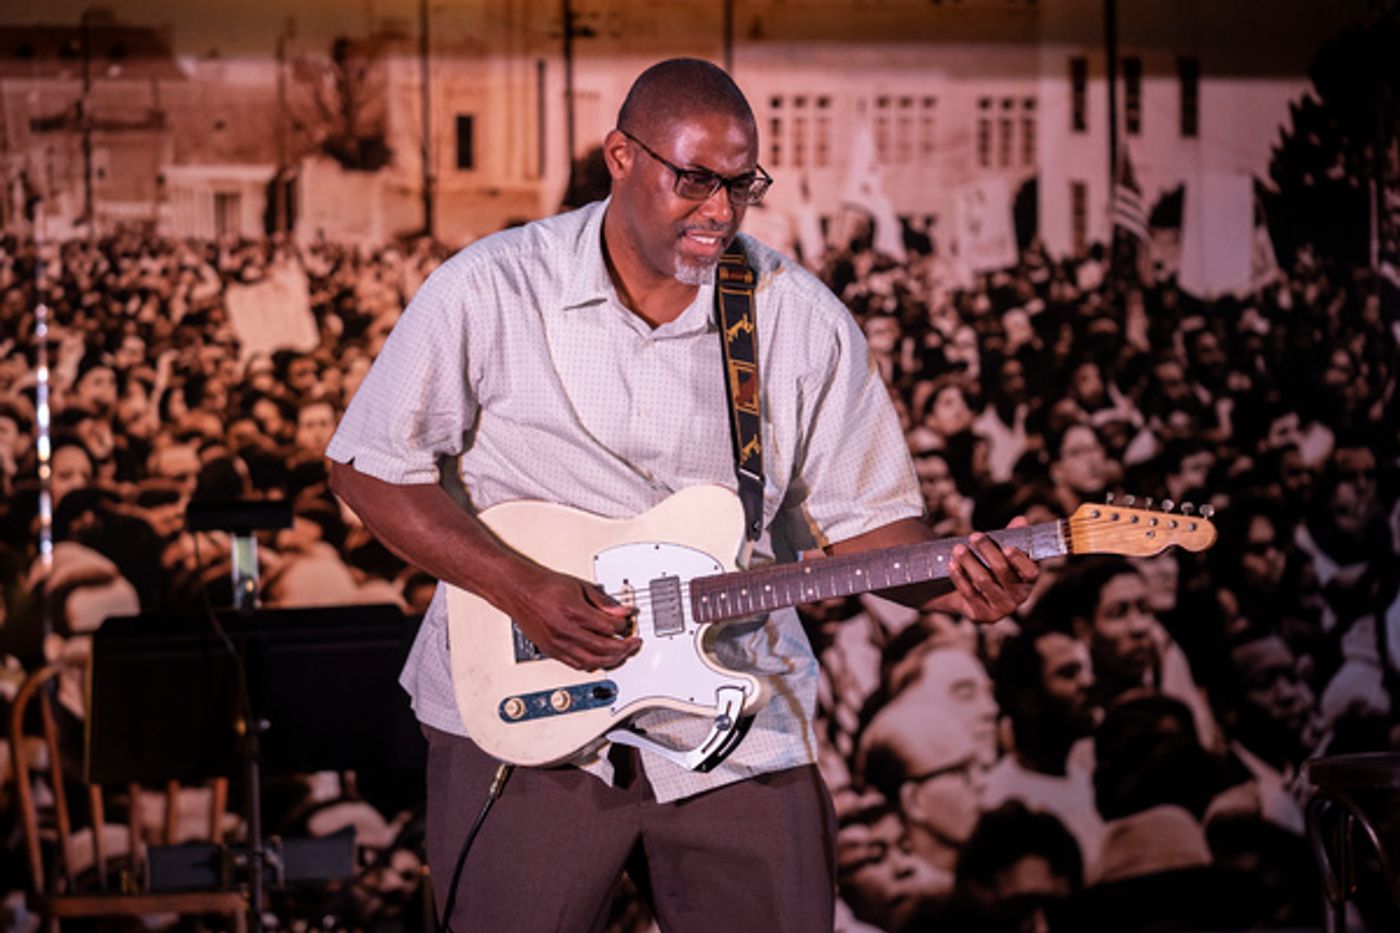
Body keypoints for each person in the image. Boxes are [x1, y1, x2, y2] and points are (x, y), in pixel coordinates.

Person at [325, 58, 1036, 933]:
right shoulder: (491, 287)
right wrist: (524, 590)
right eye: (693, 179)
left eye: (742, 185)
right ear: (620, 156)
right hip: (520, 714)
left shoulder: (797, 319)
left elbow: (872, 532)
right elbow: (366, 463)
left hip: (739, 722)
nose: (720, 211)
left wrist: (955, 581)